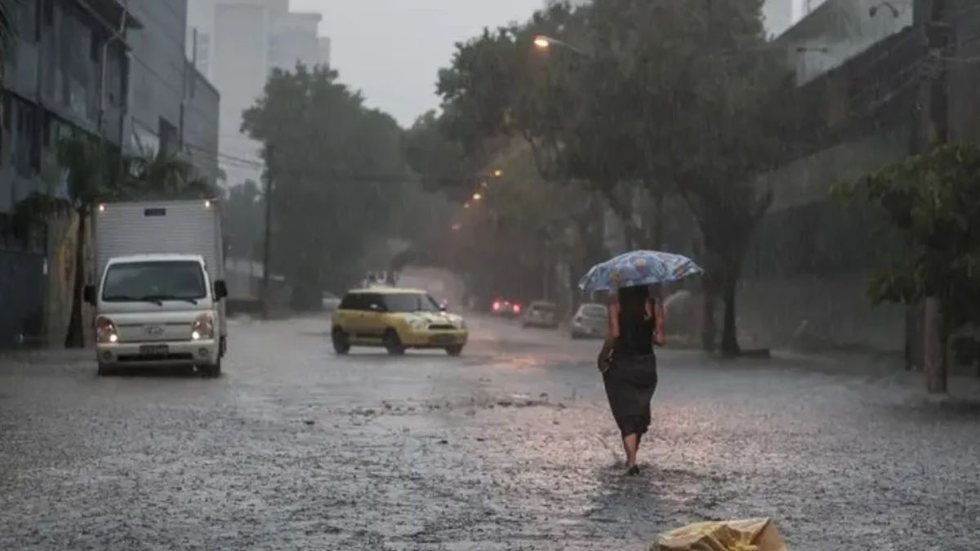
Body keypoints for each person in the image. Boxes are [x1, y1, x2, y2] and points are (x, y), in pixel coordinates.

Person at [601, 284, 666, 475]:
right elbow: (661, 339)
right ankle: (632, 458)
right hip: (646, 365)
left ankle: (631, 462)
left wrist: (603, 354)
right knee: (639, 411)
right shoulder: (654, 305)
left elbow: (614, 333)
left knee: (626, 412)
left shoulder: (616, 304)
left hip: (622, 363)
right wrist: (647, 333)